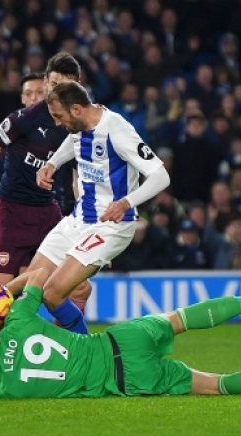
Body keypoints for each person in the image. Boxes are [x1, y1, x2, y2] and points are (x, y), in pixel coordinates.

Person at [0, 269, 241, 398]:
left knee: (218, 385)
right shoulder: (20, 318)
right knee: (183, 317)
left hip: (127, 380)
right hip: (120, 340)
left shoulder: (10, 388)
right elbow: (40, 275)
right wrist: (9, 293)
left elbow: (4, 378)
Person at [0, 54, 92, 377]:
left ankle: (65, 352)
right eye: (50, 84)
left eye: (61, 85)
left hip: (48, 211)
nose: (53, 91)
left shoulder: (78, 123)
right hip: (10, 212)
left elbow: (82, 173)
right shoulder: (25, 119)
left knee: (80, 288)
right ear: (47, 84)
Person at [34, 81, 170, 326]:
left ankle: (87, 355)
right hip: (79, 218)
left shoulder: (117, 130)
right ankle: (58, 350)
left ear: (76, 110)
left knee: (52, 293)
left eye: (59, 116)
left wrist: (125, 203)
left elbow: (161, 176)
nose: (57, 123)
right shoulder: (82, 122)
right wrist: (53, 163)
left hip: (111, 224)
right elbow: (73, 140)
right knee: (33, 285)